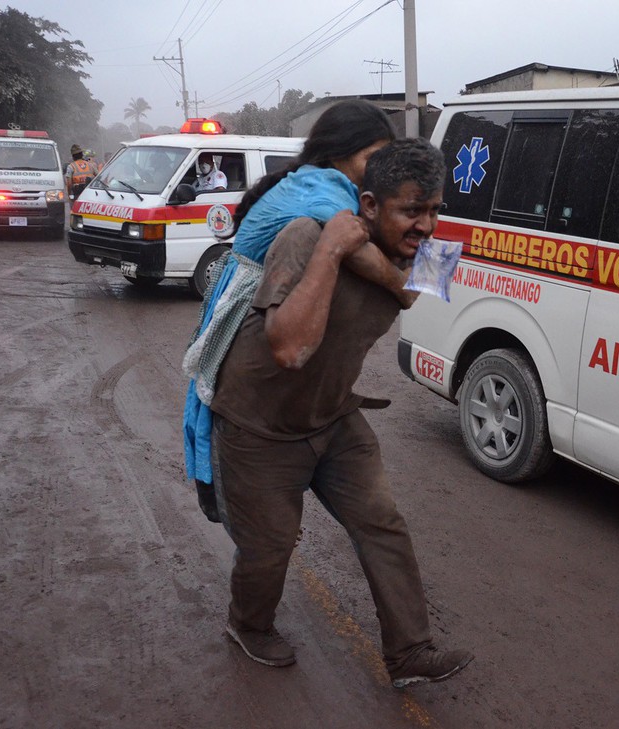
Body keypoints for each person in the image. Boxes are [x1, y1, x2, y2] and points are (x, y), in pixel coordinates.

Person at [210, 138, 472, 688]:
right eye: (412, 210)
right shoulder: (305, 236)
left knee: (383, 525)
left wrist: (378, 261)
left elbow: (415, 291)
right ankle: (247, 624)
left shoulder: (425, 250)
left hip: (333, 417)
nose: (427, 227)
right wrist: (331, 252)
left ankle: (409, 653)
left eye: (435, 210)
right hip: (258, 425)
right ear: (370, 205)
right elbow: (289, 350)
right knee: (271, 548)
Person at [183, 100, 412, 522]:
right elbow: (357, 251)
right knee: (231, 406)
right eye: (372, 158)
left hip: (270, 311)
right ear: (340, 152)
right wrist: (407, 288)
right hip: (251, 307)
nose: (379, 170)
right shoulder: (324, 185)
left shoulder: (329, 184)